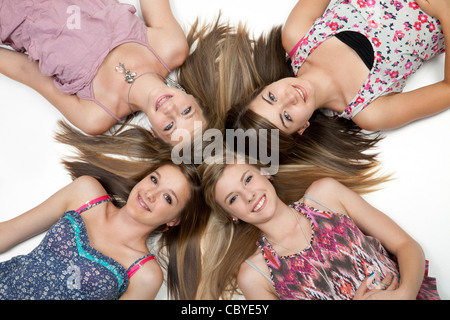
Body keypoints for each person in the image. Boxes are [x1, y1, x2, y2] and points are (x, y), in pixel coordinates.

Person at [225, 0, 448, 170]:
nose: (289, 98)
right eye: (287, 117)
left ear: (266, 86)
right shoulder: (370, 110)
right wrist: (445, 10)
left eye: (271, 98)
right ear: (302, 129)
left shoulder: (297, 35)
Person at [0, 122, 208, 300]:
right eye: (154, 179)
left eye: (167, 197)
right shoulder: (86, 193)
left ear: (174, 220)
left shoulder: (145, 273)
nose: (150, 194)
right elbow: (11, 230)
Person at [197, 155, 440, 300]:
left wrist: (404, 294)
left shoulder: (326, 194)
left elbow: (406, 246)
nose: (249, 195)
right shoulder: (254, 274)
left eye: (248, 179)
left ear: (264, 173)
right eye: (233, 198)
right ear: (231, 215)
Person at [0, 0, 206, 144]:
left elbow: (25, 70)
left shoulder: (95, 115)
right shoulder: (170, 47)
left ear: (154, 133)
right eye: (187, 112)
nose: (171, 111)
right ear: (193, 98)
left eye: (169, 127)